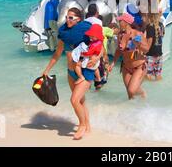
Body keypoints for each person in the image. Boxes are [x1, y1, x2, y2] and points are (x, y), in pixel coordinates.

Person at [42, 8, 99, 140]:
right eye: (67, 17)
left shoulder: (85, 32)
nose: (67, 19)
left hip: (85, 72)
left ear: (79, 19)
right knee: (80, 100)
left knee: (74, 100)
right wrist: (47, 70)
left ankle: (82, 125)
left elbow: (99, 45)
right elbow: (57, 54)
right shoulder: (65, 34)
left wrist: (97, 57)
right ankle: (88, 125)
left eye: (71, 18)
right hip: (71, 72)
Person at [110, 13, 148, 100]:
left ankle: (142, 93)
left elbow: (146, 49)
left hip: (139, 66)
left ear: (126, 23)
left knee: (131, 90)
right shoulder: (120, 34)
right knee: (130, 95)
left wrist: (138, 45)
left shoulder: (137, 34)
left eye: (120, 21)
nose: (118, 22)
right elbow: (118, 50)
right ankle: (131, 111)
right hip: (126, 67)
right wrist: (113, 62)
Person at [145, 12, 165, 81]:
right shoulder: (161, 25)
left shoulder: (150, 26)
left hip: (151, 55)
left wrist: (143, 52)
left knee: (148, 76)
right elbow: (162, 36)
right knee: (158, 75)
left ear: (149, 16)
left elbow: (149, 43)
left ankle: (149, 91)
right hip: (159, 54)